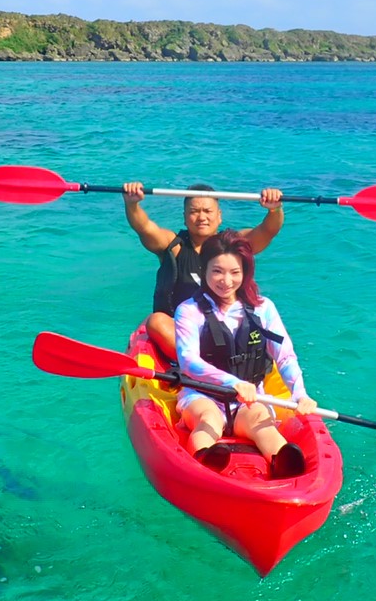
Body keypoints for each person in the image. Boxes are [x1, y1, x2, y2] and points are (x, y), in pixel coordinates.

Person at [173, 231, 317, 478]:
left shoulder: (263, 308)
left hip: (248, 398)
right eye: (217, 271)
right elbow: (188, 361)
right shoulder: (189, 310)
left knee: (260, 419)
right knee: (208, 419)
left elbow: (284, 356)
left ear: (245, 272)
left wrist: (300, 393)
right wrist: (234, 383)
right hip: (203, 394)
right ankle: (205, 460)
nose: (226, 281)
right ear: (204, 269)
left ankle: (283, 463)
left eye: (235, 272)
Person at [123, 180, 283, 361]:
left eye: (207, 211)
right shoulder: (173, 246)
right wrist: (132, 204)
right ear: (184, 217)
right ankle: (199, 365)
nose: (201, 217)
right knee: (157, 321)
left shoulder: (233, 246)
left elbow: (268, 230)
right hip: (184, 334)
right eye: (194, 212)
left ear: (219, 215)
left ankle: (226, 363)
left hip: (226, 332)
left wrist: (274, 209)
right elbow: (143, 227)